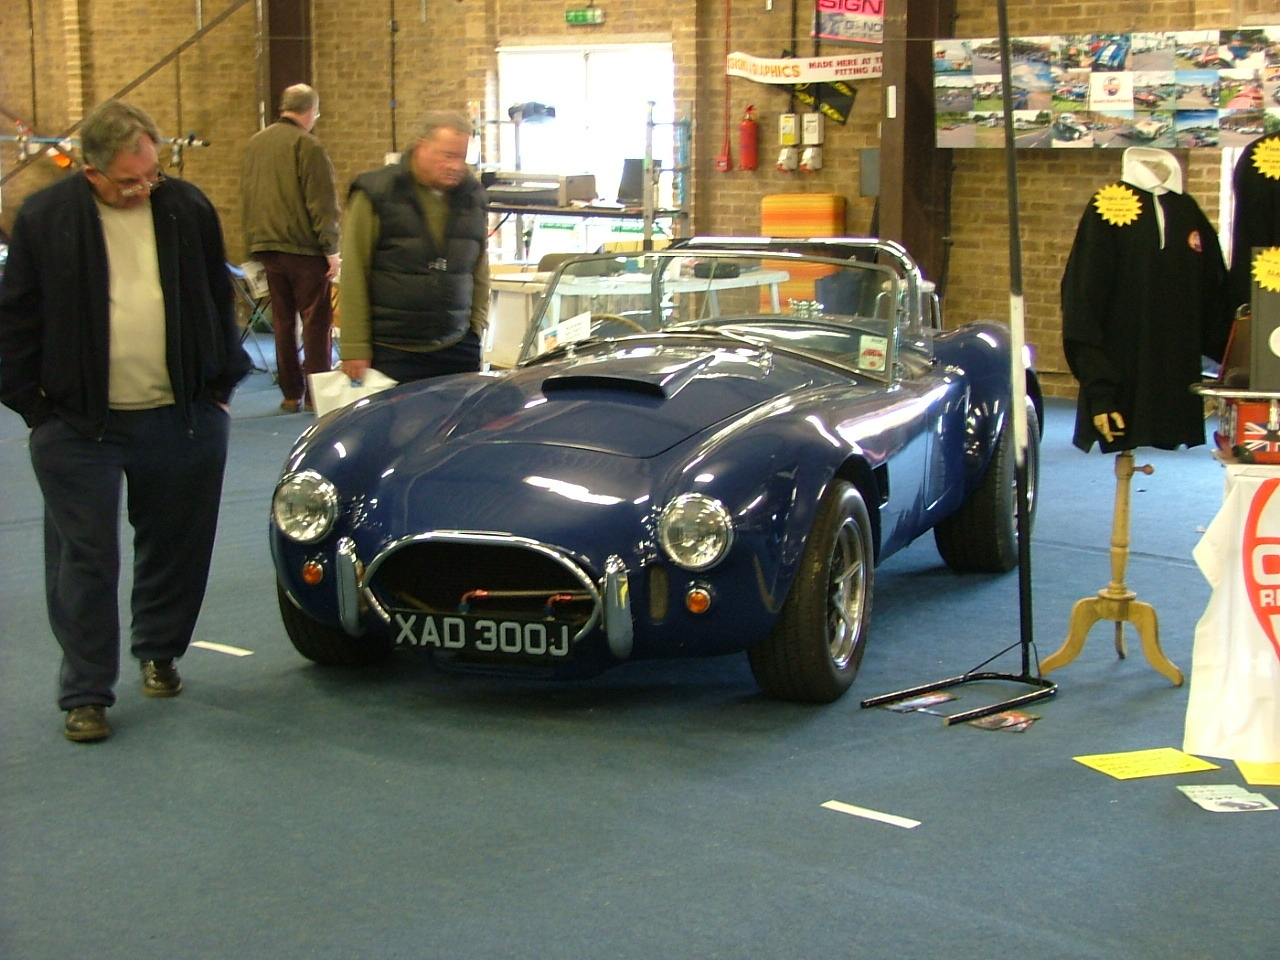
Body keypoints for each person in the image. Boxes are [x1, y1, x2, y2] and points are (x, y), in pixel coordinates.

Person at [0, 100, 251, 742]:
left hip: (182, 415)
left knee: (175, 543)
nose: (144, 188)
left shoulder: (186, 207)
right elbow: (16, 317)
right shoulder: (45, 217)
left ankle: (159, 651)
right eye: (128, 180)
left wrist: (219, 387)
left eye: (152, 174)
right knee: (85, 558)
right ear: (90, 172)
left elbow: (216, 296)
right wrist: (35, 408)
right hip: (78, 424)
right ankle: (86, 692)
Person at [1060, 146, 1231, 453]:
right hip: (1119, 368)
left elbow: (1213, 293)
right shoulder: (1106, 206)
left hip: (1174, 372)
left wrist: (1234, 358)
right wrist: (1098, 388)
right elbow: (1083, 299)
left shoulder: (1187, 210)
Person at [338, 110, 489, 385]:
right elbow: (354, 272)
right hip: (393, 349)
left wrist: (476, 327)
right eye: (448, 156)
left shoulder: (473, 196)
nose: (456, 166)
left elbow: (479, 268)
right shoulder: (376, 192)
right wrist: (354, 347)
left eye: (461, 157)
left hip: (457, 346)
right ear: (421, 147)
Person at [241, 83, 341, 412]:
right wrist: (331, 249)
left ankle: (290, 394)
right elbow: (322, 202)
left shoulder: (255, 144)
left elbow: (247, 195)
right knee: (316, 322)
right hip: (303, 249)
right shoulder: (308, 145)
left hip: (266, 247)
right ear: (311, 111)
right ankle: (316, 394)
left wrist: (252, 246)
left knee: (283, 322)